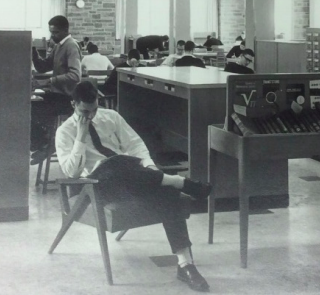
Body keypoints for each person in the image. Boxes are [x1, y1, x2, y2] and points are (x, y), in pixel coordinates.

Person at [55, 82, 211, 292]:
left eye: (94, 110)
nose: (90, 116)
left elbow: (135, 145)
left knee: (161, 189)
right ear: (73, 104)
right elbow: (71, 173)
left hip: (130, 176)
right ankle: (180, 181)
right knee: (112, 166)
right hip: (94, 185)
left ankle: (185, 264)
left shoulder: (111, 117)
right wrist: (81, 137)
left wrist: (150, 168)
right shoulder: (65, 132)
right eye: (85, 111)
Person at [32, 15, 82, 157]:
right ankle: (45, 143)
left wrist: (50, 81)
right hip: (57, 95)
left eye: (55, 32)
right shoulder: (58, 45)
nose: (52, 35)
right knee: (31, 106)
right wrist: (34, 54)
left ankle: (48, 144)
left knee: (34, 109)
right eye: (51, 32)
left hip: (67, 98)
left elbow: (75, 75)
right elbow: (43, 67)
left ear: (66, 30)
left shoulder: (71, 45)